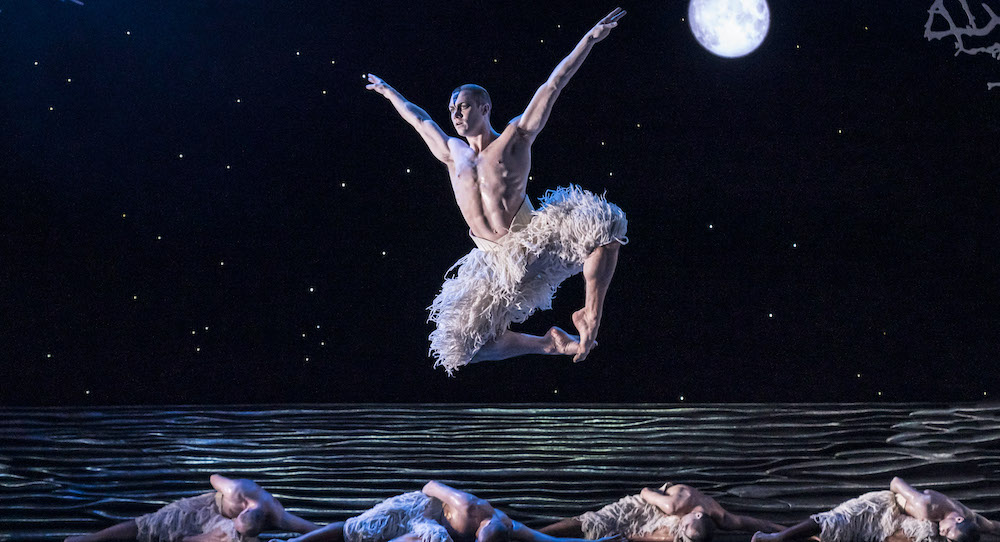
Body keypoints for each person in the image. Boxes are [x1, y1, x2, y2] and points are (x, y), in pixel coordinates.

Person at [364, 8, 630, 375]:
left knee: (608, 224)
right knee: (461, 350)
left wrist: (588, 39)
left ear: (484, 108)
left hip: (532, 239)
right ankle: (548, 344)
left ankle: (590, 314)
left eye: (464, 106)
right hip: (492, 262)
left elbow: (553, 85)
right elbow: (420, 118)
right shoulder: (451, 153)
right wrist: (389, 93)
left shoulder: (513, 138)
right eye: (452, 108)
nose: (455, 113)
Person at [287, 480, 626, 542]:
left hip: (432, 530)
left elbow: (544, 541)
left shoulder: (505, 526)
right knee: (357, 530)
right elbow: (429, 486)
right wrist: (426, 517)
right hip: (417, 508)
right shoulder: (469, 507)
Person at [64, 474, 318, 542]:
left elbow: (309, 528)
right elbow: (213, 477)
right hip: (206, 506)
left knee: (231, 537)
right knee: (153, 523)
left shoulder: (276, 514)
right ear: (242, 509)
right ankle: (92, 538)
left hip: (221, 525)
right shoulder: (239, 489)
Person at [750, 477, 1000, 542]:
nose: (944, 533)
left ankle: (779, 534)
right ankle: (777, 536)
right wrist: (901, 510)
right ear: (956, 518)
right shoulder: (925, 507)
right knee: (836, 523)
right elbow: (895, 483)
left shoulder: (970, 519)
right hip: (881, 506)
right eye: (948, 532)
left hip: (899, 520)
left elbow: (993, 526)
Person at [539, 483, 784, 542]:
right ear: (695, 516)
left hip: (666, 523)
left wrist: (786, 533)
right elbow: (645, 491)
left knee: (675, 534)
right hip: (645, 507)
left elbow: (753, 522)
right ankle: (534, 534)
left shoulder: (718, 515)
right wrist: (631, 533)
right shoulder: (675, 505)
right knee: (596, 523)